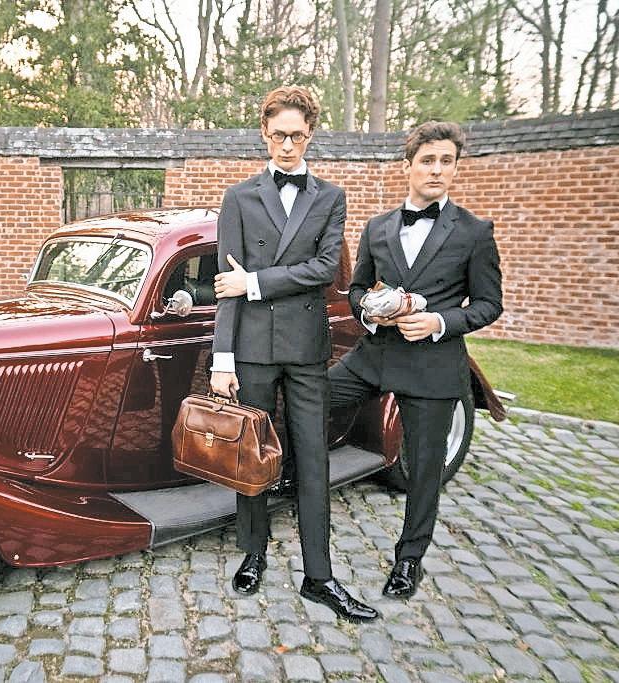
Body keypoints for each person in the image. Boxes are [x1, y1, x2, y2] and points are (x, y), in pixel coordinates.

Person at [210, 86, 378, 623]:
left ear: (310, 136)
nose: (287, 145)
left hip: (306, 349)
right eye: (279, 135)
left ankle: (319, 575)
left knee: (312, 458)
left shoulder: (330, 197)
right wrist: (221, 359)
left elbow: (324, 270)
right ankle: (253, 553)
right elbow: (225, 286)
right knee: (252, 455)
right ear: (265, 133)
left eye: (298, 136)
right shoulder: (238, 198)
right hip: (253, 349)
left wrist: (256, 283)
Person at [329, 121, 503, 599]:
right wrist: (370, 310)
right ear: (408, 166)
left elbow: (489, 304)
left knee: (425, 468)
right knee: (311, 398)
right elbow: (357, 290)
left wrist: (439, 322)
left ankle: (409, 560)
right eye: (428, 160)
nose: (437, 170)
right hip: (375, 356)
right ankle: (292, 481)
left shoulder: (474, 232)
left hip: (433, 366)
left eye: (447, 161)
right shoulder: (378, 227)